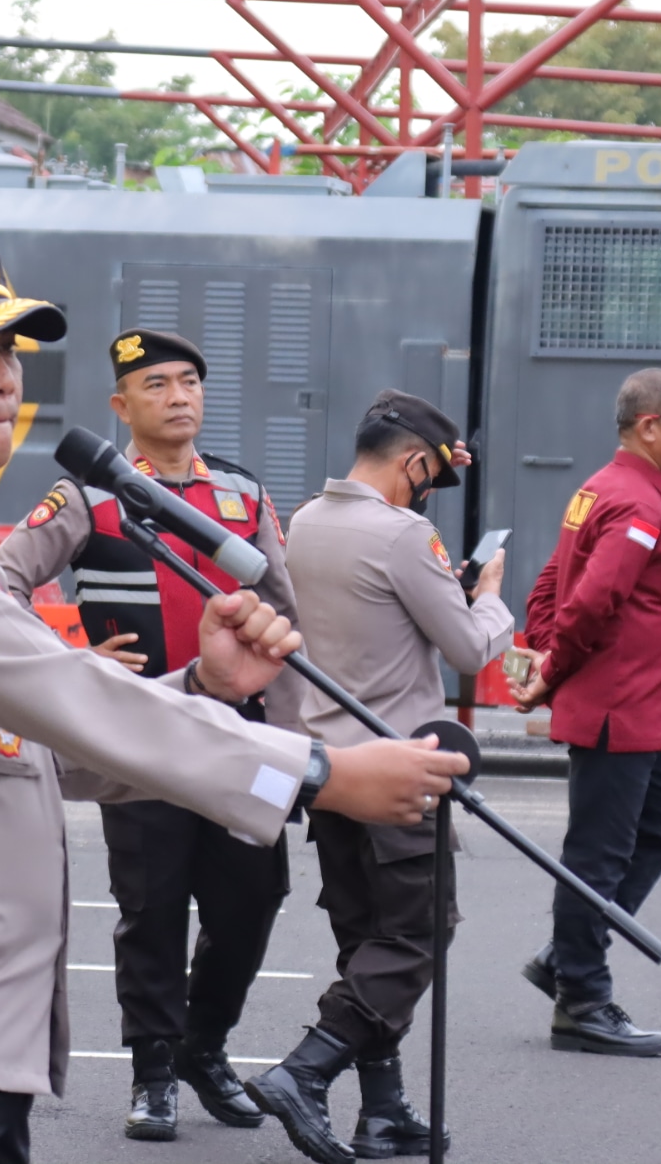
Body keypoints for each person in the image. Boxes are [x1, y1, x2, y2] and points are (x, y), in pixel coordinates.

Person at [0, 233, 469, 1164]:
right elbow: (73, 696)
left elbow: (36, 748)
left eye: (7, 351)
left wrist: (202, 683)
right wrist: (320, 772)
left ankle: (190, 1052)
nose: (2, 377)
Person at [0, 327, 300, 1142]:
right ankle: (154, 1071)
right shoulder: (88, 498)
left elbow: (287, 614)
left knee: (252, 901)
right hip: (137, 740)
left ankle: (206, 1047)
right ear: (120, 405)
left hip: (237, 736)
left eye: (190, 381)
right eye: (157, 384)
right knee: (152, 908)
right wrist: (69, 655)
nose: (178, 396)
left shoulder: (240, 494)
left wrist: (295, 739)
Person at [253, 391, 512, 1163]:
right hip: (398, 768)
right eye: (428, 476)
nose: (426, 490)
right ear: (410, 464)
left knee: (366, 938)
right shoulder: (404, 534)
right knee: (417, 933)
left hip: (329, 770)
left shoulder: (304, 521)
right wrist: (491, 598)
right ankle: (306, 1069)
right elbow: (467, 647)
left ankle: (384, 1111)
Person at [510, 367, 661, 1058]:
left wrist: (538, 650)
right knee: (595, 855)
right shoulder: (635, 504)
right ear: (650, 426)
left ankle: (566, 956)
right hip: (619, 707)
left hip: (637, 706)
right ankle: (582, 1001)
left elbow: (553, 581)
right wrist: (549, 671)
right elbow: (587, 601)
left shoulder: (608, 488)